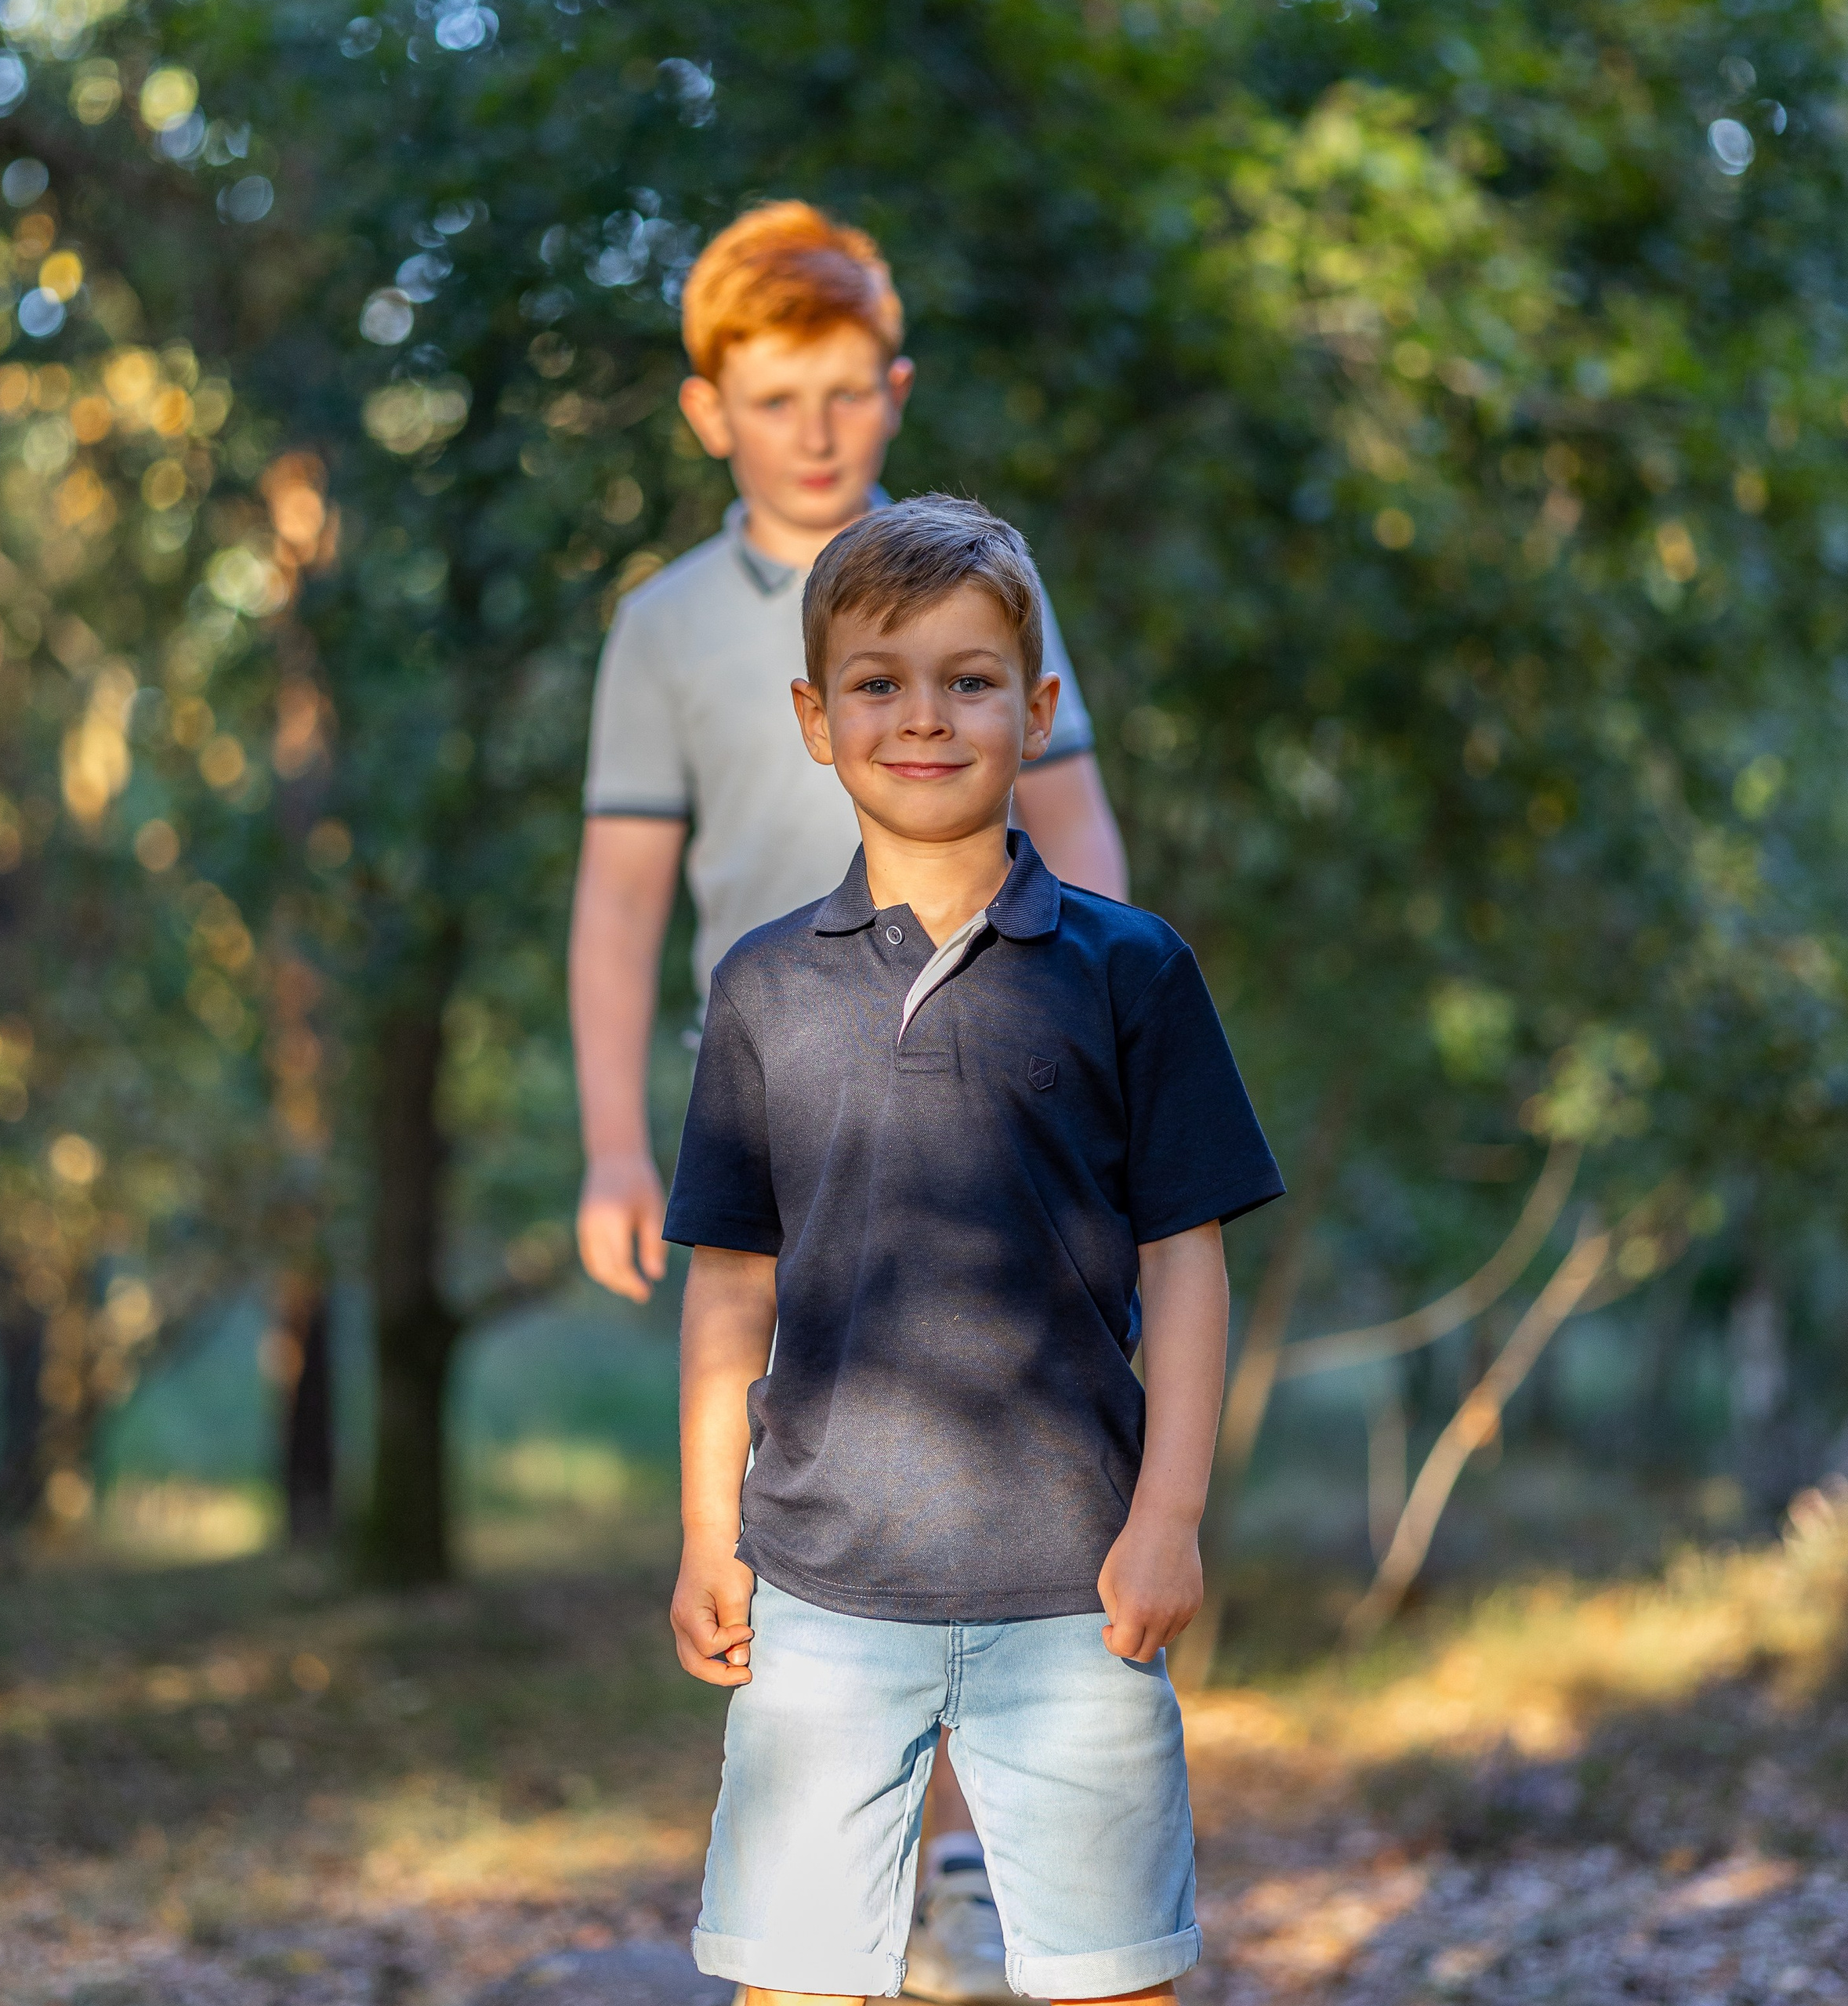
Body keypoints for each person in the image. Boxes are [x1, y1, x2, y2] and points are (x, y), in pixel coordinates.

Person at [568, 201, 1128, 2000]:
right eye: (770, 392)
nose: (811, 426)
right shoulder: (661, 626)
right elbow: (617, 896)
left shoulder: (983, 589)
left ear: (891, 391)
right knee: (813, 1481)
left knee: (982, 1464)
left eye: (840, 390)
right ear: (708, 408)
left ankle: (965, 1867)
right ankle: (836, 1867)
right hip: (787, 1106)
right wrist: (605, 1142)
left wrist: (1115, 1065)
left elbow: (1091, 841)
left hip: (991, 1101)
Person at [662, 496, 1283, 2004]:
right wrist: (704, 1532)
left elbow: (1186, 1265)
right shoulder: (761, 993)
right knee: (791, 1983)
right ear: (816, 717)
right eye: (878, 681)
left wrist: (1170, 1519)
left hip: (1078, 1586)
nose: (923, 717)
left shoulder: (1132, 972)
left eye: (969, 679)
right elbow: (731, 1288)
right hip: (819, 1593)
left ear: (1038, 709)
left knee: (1114, 1983)